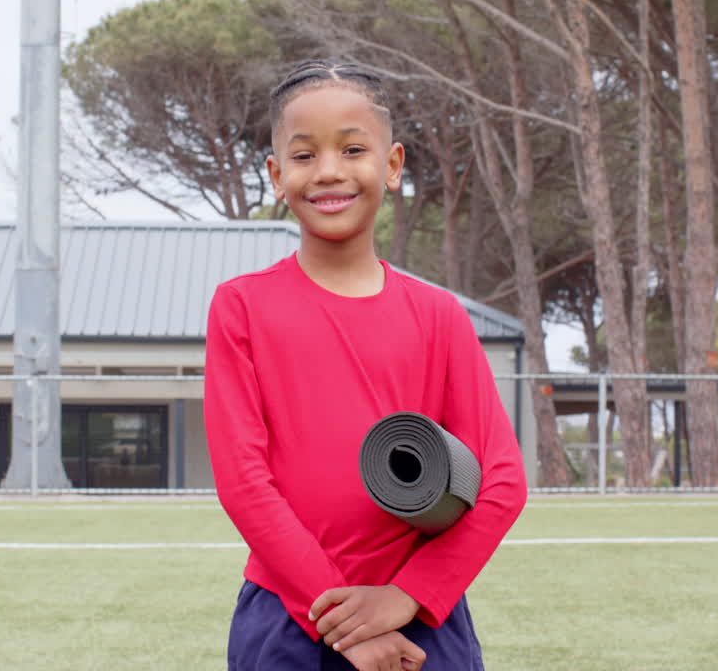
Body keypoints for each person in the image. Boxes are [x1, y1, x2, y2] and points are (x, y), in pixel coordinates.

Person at [204, 59, 527, 671]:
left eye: (353, 148)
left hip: (421, 623)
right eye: (303, 156)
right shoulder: (241, 307)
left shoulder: (440, 315)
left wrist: (406, 596)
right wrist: (350, 625)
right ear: (276, 175)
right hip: (287, 620)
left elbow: (503, 482)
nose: (328, 171)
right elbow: (244, 484)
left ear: (393, 165)